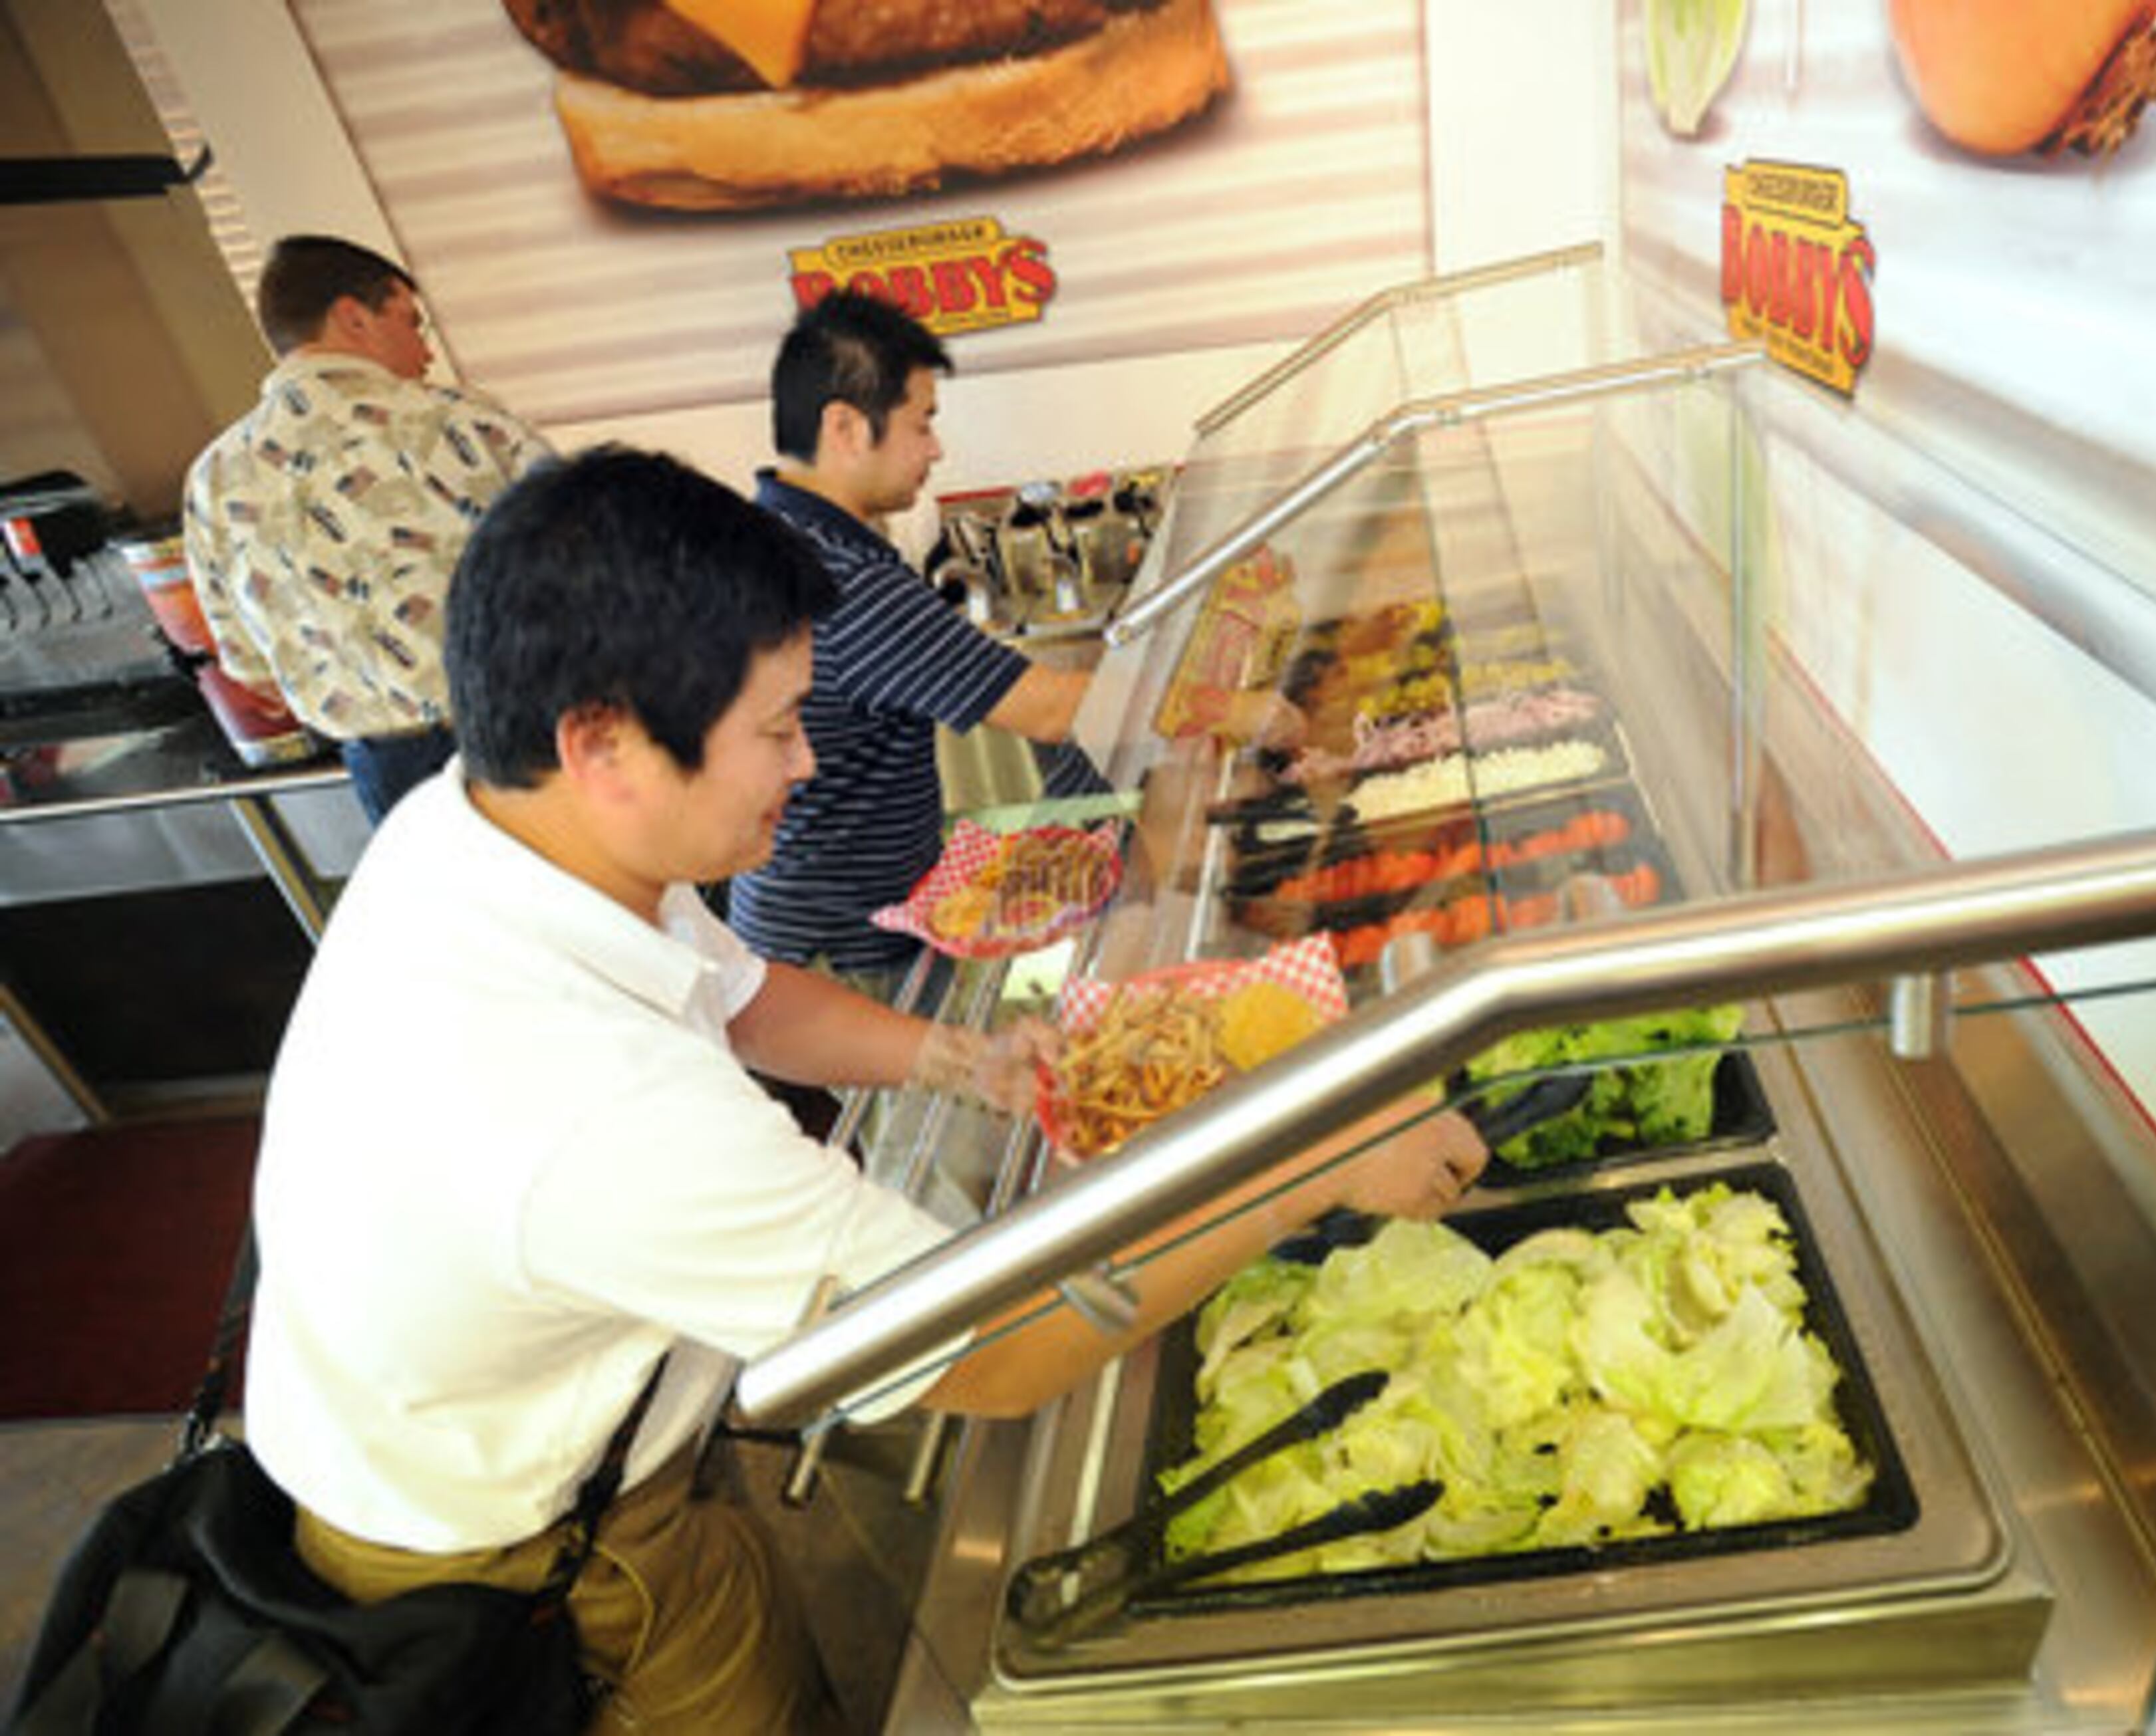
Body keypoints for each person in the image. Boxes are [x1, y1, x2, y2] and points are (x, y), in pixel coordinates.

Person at [243, 445, 1485, 1733]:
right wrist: (1316, 1168)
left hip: (513, 1430)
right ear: (604, 744)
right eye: (776, 730)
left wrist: (960, 1058)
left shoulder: (488, 824)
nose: (808, 764)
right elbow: (990, 1349)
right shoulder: (594, 1107)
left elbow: (743, 993)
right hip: (512, 1552)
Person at [727, 287, 1295, 987]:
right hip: (842, 951)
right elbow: (1054, 709)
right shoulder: (840, 577)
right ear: (845, 427)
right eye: (921, 423)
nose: (936, 449)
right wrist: (1238, 710)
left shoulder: (775, 533)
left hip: (815, 919)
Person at [183, 233, 552, 823]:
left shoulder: (215, 477)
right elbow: (593, 574)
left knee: (463, 918)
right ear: (353, 317)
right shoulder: (467, 422)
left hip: (387, 776)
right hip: (529, 739)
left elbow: (246, 661)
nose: (425, 352)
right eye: (412, 323)